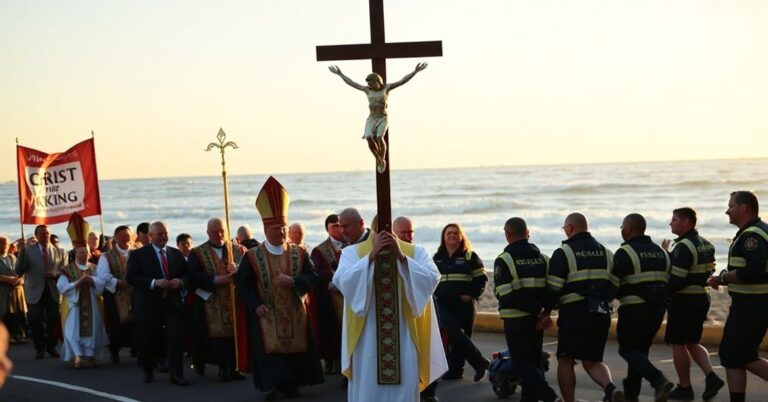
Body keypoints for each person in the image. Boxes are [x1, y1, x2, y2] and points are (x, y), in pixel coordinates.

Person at [333, 208, 448, 402]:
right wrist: (372, 255)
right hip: (367, 338)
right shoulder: (352, 253)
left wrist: (401, 257)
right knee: (368, 388)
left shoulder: (416, 252)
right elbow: (342, 280)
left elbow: (432, 278)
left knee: (404, 385)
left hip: (404, 335)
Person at [234, 176, 323, 399]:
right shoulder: (252, 257)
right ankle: (275, 385)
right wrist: (255, 305)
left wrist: (294, 282)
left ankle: (291, 384)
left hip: (295, 312)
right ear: (266, 230)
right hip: (267, 313)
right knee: (270, 352)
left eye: (284, 228)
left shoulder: (299, 252)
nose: (282, 232)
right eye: (277, 228)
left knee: (296, 350)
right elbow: (241, 285)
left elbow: (313, 277)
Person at [546, 213, 622, 402]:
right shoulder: (606, 252)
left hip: (574, 314)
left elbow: (553, 287)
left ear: (570, 228)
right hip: (600, 313)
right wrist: (601, 300)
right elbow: (615, 285)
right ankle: (610, 389)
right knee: (592, 361)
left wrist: (546, 311)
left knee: (566, 359)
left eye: (564, 228)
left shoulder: (564, 252)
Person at [708, 191, 768, 402]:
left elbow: (753, 270)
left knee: (740, 354)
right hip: (750, 303)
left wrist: (723, 277)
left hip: (753, 304)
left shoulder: (753, 235)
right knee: (732, 355)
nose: (727, 211)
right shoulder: (757, 231)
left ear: (744, 208)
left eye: (731, 206)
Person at [494, 217, 561, 402]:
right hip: (537, 320)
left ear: (507, 234)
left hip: (515, 319)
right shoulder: (544, 259)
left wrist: (537, 313)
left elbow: (507, 295)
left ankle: (550, 397)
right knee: (533, 361)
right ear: (528, 233)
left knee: (522, 364)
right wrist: (544, 313)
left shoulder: (504, 260)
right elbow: (553, 289)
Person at [661, 207, 724, 400]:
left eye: (674, 219)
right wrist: (668, 254)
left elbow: (676, 280)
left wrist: (662, 292)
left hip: (684, 301)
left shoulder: (683, 247)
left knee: (678, 342)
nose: (670, 222)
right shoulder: (706, 244)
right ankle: (712, 377)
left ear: (686, 222)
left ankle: (685, 387)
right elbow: (703, 271)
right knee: (691, 341)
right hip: (702, 298)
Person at [612, 214, 673, 401]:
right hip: (657, 311)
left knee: (627, 350)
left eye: (622, 227)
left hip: (634, 310)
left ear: (629, 228)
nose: (621, 231)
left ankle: (658, 380)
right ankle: (632, 395)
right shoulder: (662, 252)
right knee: (639, 352)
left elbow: (613, 284)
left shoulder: (625, 252)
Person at [328, 63, 427, 173]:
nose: (369, 84)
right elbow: (352, 83)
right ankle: (379, 160)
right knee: (368, 137)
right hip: (371, 118)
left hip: (382, 117)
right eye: (368, 82)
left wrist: (415, 71)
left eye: (371, 82)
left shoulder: (386, 88)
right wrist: (340, 74)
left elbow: (402, 81)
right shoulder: (367, 90)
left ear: (378, 81)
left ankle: (382, 158)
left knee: (379, 137)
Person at [126, 221, 190, 385]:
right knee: (149, 339)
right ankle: (148, 370)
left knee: (176, 338)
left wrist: (181, 282)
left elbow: (187, 274)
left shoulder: (175, 253)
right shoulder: (139, 254)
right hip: (149, 304)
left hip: (172, 303)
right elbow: (131, 277)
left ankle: (177, 375)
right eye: (160, 234)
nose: (164, 237)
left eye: (166, 233)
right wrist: (154, 282)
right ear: (151, 235)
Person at [187, 218, 246, 382]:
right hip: (210, 300)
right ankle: (222, 367)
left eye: (222, 231)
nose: (219, 235)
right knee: (217, 337)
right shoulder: (197, 253)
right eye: (215, 232)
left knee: (234, 335)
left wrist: (238, 269)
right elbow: (193, 276)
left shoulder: (238, 250)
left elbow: (249, 271)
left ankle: (235, 367)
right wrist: (214, 280)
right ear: (208, 233)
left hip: (233, 299)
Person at [393, 216, 443, 402]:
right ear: (393, 233)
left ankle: (428, 391)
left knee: (424, 349)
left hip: (420, 312)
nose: (408, 236)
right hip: (394, 317)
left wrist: (404, 260)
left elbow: (433, 276)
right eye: (403, 233)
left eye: (410, 232)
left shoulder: (419, 252)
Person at [432, 223, 489, 381]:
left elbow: (481, 279)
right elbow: (430, 279)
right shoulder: (437, 258)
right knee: (453, 333)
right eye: (449, 233)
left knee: (462, 337)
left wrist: (471, 295)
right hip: (443, 304)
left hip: (464, 304)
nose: (452, 235)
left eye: (455, 233)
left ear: (461, 237)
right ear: (444, 237)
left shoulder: (470, 256)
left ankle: (457, 370)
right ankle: (480, 362)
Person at [57, 213, 108, 368]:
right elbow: (61, 286)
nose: (84, 254)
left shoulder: (94, 267)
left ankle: (92, 356)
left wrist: (92, 280)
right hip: (74, 305)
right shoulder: (67, 269)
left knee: (94, 329)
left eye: (86, 252)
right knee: (73, 331)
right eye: (80, 252)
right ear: (75, 253)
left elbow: (102, 282)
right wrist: (77, 283)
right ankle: (77, 356)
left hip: (93, 302)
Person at [15, 224, 66, 359]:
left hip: (52, 290)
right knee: (36, 320)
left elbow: (65, 271)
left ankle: (51, 346)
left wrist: (55, 273)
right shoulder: (28, 250)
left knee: (53, 319)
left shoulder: (60, 251)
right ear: (36, 236)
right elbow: (18, 271)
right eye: (42, 233)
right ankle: (40, 347)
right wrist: (21, 253)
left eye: (47, 233)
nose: (46, 235)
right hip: (34, 290)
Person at [307, 214, 345, 375]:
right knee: (330, 329)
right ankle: (330, 361)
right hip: (329, 295)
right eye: (334, 226)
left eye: (340, 225)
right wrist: (332, 276)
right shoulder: (319, 250)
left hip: (348, 295)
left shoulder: (351, 245)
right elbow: (315, 272)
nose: (338, 229)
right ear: (327, 229)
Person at [96, 225, 135, 364]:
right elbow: (102, 275)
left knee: (136, 323)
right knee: (118, 325)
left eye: (128, 236)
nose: (126, 238)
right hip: (115, 295)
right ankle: (114, 350)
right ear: (116, 238)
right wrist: (117, 282)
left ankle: (137, 350)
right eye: (123, 236)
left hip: (134, 294)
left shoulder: (137, 253)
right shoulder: (106, 256)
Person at [0, 236, 26, 344]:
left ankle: (19, 335)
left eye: (6, 244)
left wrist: (21, 279)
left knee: (18, 314)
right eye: (2, 244)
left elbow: (21, 272)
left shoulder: (12, 257)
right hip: (3, 290)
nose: (5, 246)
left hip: (17, 290)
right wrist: (8, 279)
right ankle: (7, 337)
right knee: (5, 314)